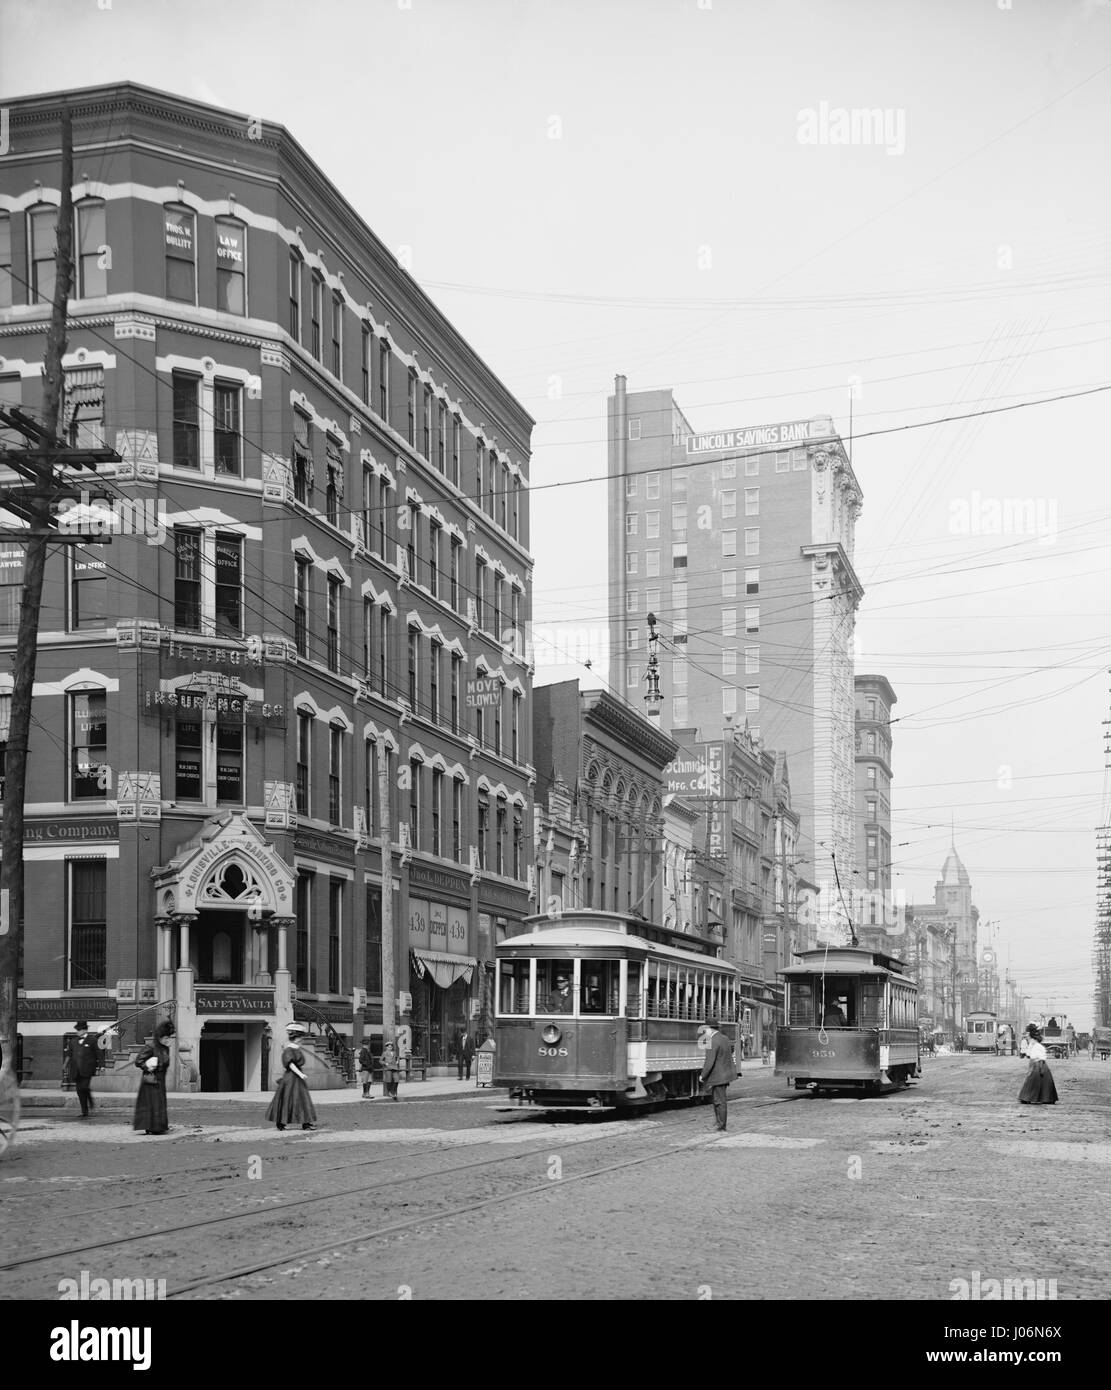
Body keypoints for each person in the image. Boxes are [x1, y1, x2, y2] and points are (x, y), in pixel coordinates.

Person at [267, 1022, 318, 1130]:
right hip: (291, 1078)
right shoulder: (289, 1049)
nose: (302, 1039)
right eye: (301, 1037)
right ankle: (281, 1123)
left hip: (297, 1078)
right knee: (288, 1098)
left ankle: (305, 1123)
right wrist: (300, 1074)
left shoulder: (295, 1048)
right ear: (297, 1038)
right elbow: (290, 1064)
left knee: (302, 1099)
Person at [133, 1019, 175, 1135]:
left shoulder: (165, 1048)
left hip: (161, 1081)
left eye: (169, 1038)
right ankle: (150, 1127)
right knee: (152, 1104)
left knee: (160, 1104)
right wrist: (147, 1066)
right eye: (166, 1038)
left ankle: (160, 1126)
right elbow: (138, 1061)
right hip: (151, 1081)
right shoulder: (150, 1047)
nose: (168, 1040)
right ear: (160, 1037)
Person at [698, 1019, 737, 1132]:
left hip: (718, 1076)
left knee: (719, 1101)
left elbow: (709, 1061)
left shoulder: (712, 1041)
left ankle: (721, 1125)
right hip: (724, 1074)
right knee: (719, 1100)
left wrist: (703, 1075)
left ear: (709, 1029)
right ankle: (719, 1123)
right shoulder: (724, 1038)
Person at [69, 1020, 105, 1119]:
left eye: (79, 1030)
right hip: (76, 1070)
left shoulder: (92, 1040)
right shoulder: (73, 1041)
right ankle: (84, 1111)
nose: (77, 1032)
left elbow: (99, 1054)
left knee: (84, 1087)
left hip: (88, 1069)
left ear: (85, 1030)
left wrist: (102, 1066)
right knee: (79, 1091)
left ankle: (90, 1100)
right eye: (77, 1030)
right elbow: (70, 1055)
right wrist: (66, 1066)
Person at [1018, 1024, 1058, 1106]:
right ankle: (1042, 1098)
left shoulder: (1036, 1045)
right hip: (1034, 1063)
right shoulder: (1032, 1044)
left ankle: (1028, 1098)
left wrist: (1041, 1068)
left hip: (1038, 1064)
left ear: (1030, 1034)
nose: (1025, 1035)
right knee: (1039, 1082)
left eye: (1027, 1034)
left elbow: (1040, 1057)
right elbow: (1028, 1054)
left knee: (1033, 1081)